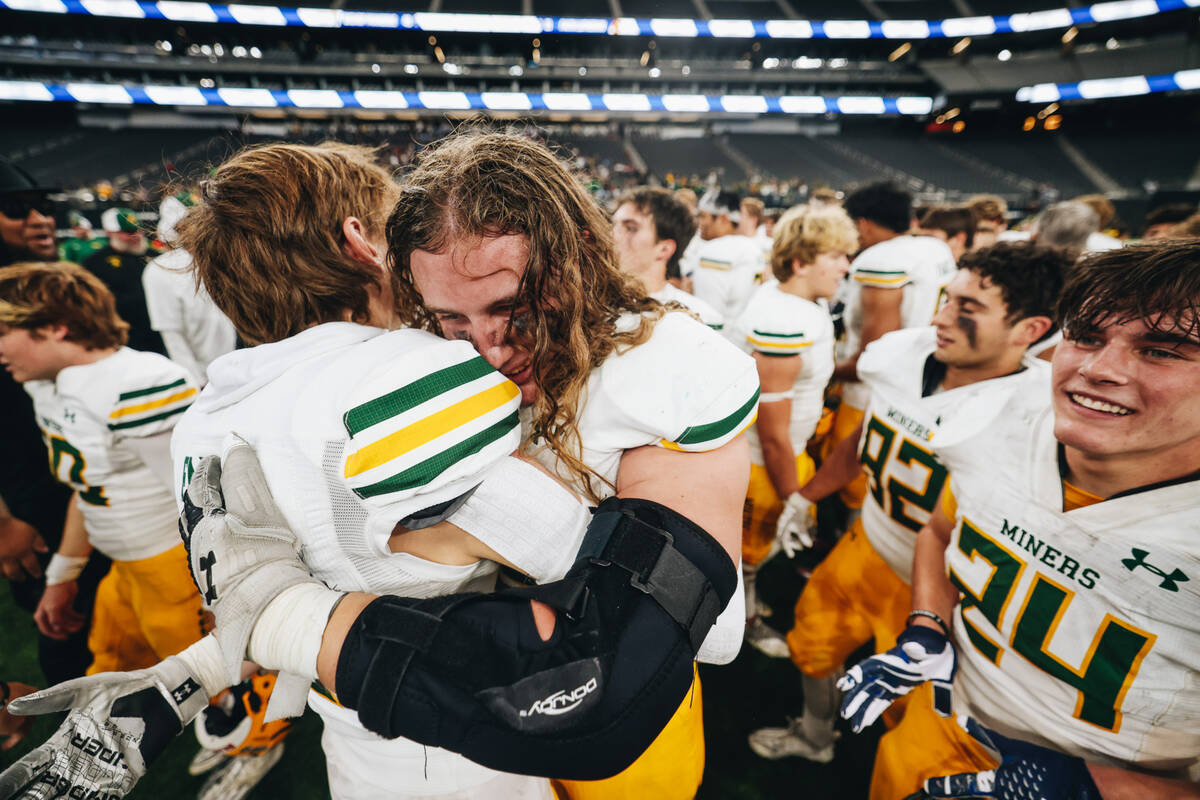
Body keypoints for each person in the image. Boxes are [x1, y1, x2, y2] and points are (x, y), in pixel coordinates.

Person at [0, 137, 751, 800]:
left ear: (582, 250)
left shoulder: (666, 361)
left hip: (586, 700)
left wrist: (275, 612)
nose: (485, 352)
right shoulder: (409, 368)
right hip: (422, 714)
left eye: (513, 311)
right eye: (451, 320)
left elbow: (706, 630)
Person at [836, 240, 1200, 799]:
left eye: (1162, 350)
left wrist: (1086, 788)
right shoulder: (1003, 413)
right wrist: (928, 626)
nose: (1098, 369)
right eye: (1086, 336)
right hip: (945, 716)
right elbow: (939, 529)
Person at [747, 241, 1067, 769]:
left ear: (1029, 330)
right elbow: (873, 434)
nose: (941, 317)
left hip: (944, 590)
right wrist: (808, 495)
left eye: (967, 309)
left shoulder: (1039, 413)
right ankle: (815, 734)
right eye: (946, 299)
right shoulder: (903, 355)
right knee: (814, 640)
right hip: (868, 540)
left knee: (913, 709)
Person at [730, 204, 856, 654]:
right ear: (801, 262)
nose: (846, 264)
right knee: (746, 556)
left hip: (780, 450)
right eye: (836, 255)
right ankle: (740, 627)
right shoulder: (786, 321)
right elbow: (771, 432)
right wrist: (793, 497)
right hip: (762, 460)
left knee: (757, 552)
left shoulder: (798, 304)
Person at [829, 182, 956, 511]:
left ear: (862, 224)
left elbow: (873, 355)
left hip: (872, 395)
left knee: (855, 484)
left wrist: (827, 373)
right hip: (924, 386)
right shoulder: (934, 248)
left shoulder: (880, 259)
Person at [141, 192, 236, 386]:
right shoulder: (161, 270)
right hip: (203, 376)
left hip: (234, 366)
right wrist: (195, 381)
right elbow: (172, 335)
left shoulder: (217, 258)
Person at [612, 186, 723, 329]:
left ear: (664, 249)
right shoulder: (589, 307)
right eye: (614, 224)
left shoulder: (698, 320)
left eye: (631, 228)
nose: (613, 235)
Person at [82, 208, 165, 356]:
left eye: (138, 230)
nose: (136, 236)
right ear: (109, 232)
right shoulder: (95, 263)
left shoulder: (156, 257)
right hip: (124, 335)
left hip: (159, 331)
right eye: (128, 232)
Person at [689, 188, 765, 332]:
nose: (699, 222)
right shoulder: (752, 248)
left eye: (703, 216)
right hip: (744, 337)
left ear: (723, 218)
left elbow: (709, 315)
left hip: (721, 340)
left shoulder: (714, 252)